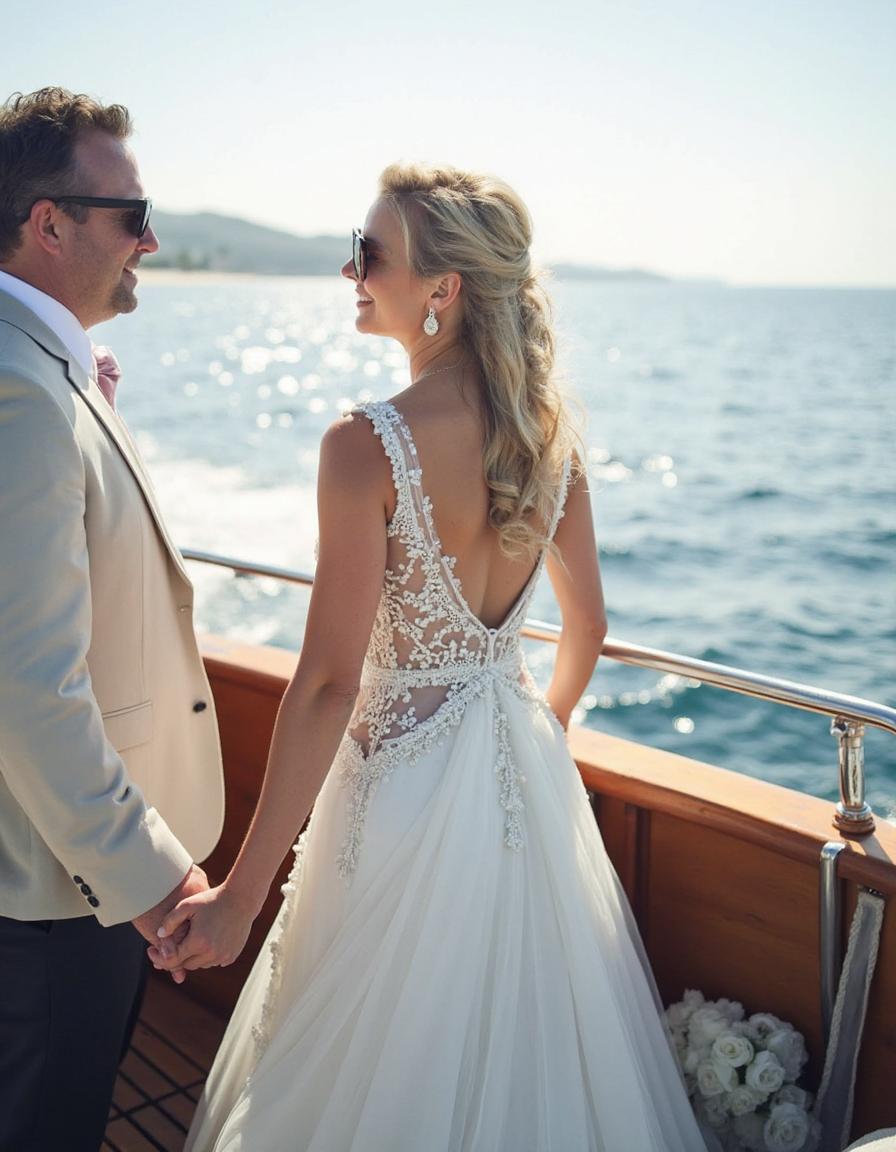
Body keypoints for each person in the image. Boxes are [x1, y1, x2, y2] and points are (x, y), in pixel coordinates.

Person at [152, 163, 710, 1151]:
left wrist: (240, 894)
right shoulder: (549, 441)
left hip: (396, 797)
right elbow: (586, 629)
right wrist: (539, 736)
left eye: (369, 254)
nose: (348, 270)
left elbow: (327, 684)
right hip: (523, 782)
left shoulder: (365, 444)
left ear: (440, 291)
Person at [0, 88, 225, 1152]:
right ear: (50, 224)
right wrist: (148, 872)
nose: (150, 238)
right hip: (55, 886)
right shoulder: (20, 392)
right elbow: (24, 678)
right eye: (130, 213)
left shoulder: (48, 372)